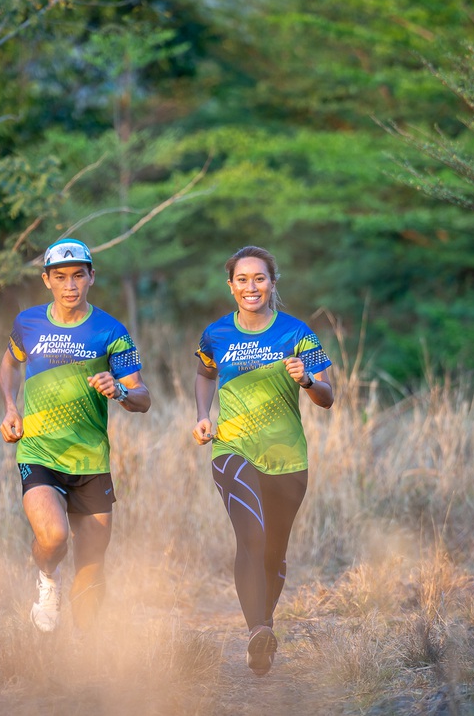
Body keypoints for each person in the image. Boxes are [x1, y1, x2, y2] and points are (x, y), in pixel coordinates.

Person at [192, 246, 334, 676]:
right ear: (230, 285)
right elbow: (204, 373)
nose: (250, 286)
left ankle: (264, 628)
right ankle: (257, 629)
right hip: (232, 449)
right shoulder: (216, 334)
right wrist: (203, 415)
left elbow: (327, 397)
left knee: (274, 553)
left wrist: (308, 380)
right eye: (242, 279)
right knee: (251, 538)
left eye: (259, 278)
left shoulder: (298, 333)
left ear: (273, 283)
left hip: (288, 458)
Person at [0, 238, 151, 633]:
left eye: (78, 276)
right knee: (53, 536)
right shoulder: (28, 323)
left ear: (91, 278)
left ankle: (86, 651)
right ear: (47, 279)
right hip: (39, 451)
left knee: (92, 562)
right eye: (61, 277)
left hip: (90, 459)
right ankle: (48, 582)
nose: (70, 285)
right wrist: (11, 407)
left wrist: (119, 391)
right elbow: (10, 364)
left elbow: (143, 397)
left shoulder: (111, 330)